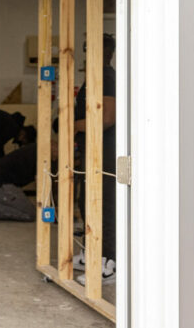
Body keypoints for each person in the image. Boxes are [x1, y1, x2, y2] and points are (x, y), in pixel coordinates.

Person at [73, 33, 117, 284]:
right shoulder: (93, 78)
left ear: (106, 53)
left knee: (105, 205)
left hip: (106, 152)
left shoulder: (106, 77)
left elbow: (107, 118)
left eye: (92, 49)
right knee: (85, 201)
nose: (87, 54)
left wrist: (74, 125)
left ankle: (108, 262)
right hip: (92, 150)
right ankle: (92, 252)